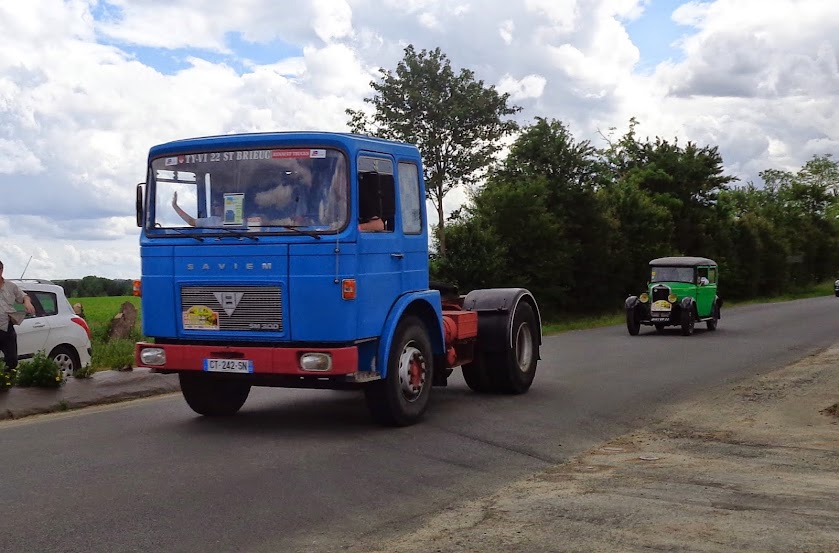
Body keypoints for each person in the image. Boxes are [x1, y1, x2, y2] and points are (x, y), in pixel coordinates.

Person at [0, 260, 36, 372]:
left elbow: (24, 296)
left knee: (12, 360)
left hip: (7, 327)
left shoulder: (10, 286)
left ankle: (8, 382)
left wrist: (27, 302)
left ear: (1, 270)